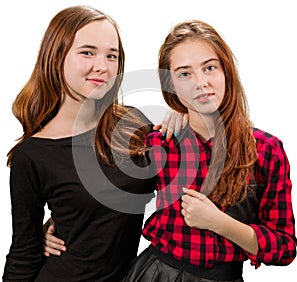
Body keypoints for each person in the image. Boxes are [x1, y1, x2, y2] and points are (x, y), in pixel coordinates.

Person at [2, 5, 186, 282]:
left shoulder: (133, 124)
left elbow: (180, 182)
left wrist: (185, 116)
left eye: (111, 55)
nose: (102, 66)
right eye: (87, 52)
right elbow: (23, 253)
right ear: (56, 56)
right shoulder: (33, 154)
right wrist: (49, 228)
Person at [119, 20, 297, 281]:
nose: (200, 82)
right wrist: (51, 226)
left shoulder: (266, 150)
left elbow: (284, 248)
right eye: (184, 74)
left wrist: (219, 223)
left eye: (209, 68)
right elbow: (110, 202)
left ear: (226, 71)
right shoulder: (160, 142)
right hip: (154, 274)